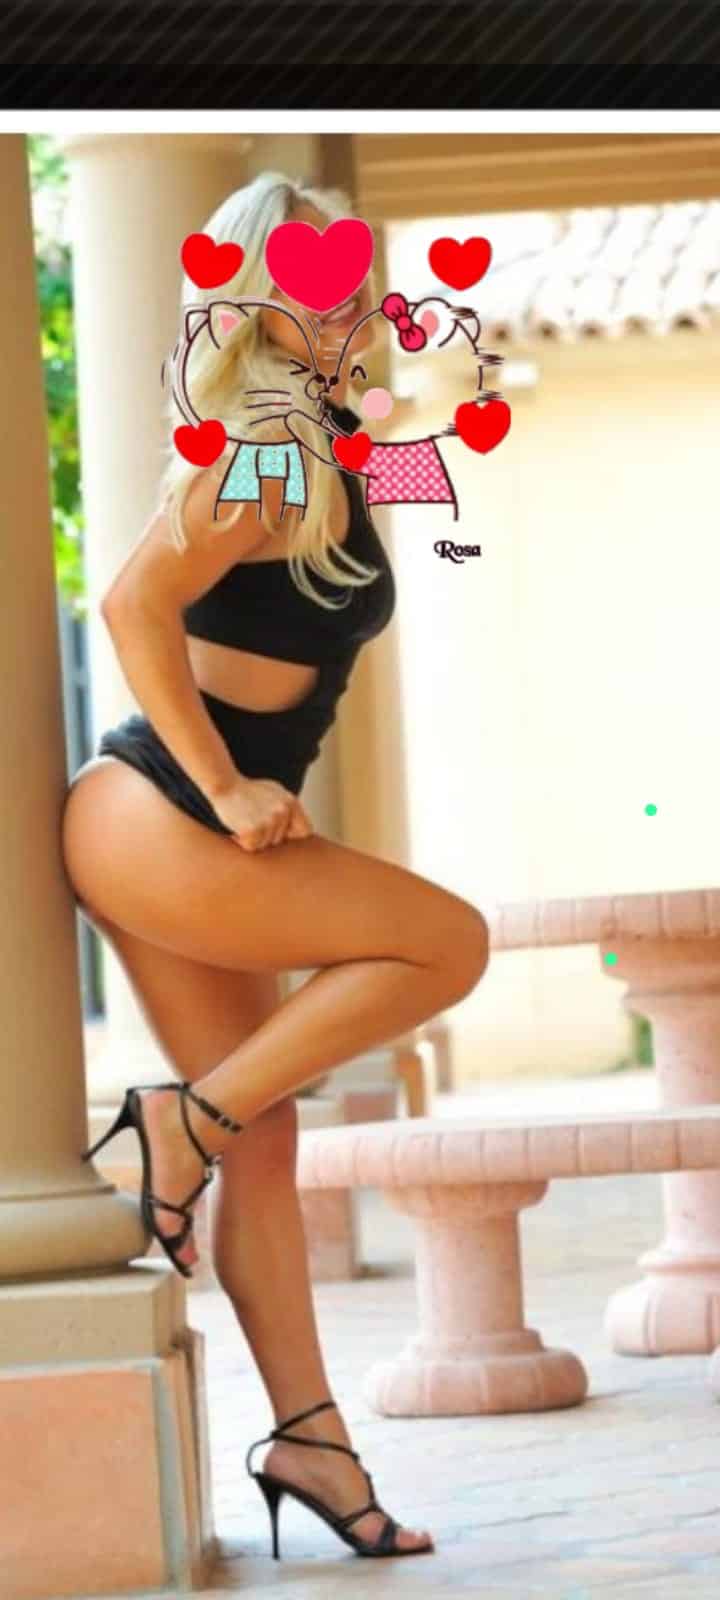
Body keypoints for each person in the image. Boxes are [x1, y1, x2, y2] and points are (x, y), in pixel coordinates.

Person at [61, 170, 490, 1561]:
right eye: (321, 292)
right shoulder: (267, 456)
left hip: (168, 827)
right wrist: (229, 783)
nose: (352, 310)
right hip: (162, 811)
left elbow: (419, 481)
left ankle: (309, 1439)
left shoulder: (322, 451)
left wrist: (431, 412)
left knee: (267, 1140)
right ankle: (176, 1124)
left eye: (358, 288)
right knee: (450, 942)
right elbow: (131, 599)